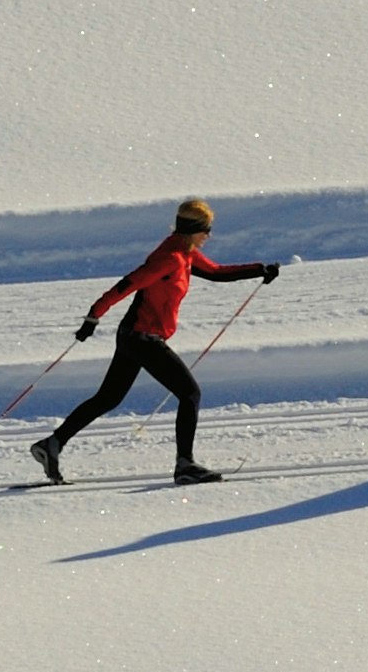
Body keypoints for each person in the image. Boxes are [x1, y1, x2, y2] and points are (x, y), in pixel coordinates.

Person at [32, 198, 280, 485]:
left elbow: (216, 272)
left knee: (108, 398)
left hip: (135, 337)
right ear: (193, 230)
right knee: (190, 394)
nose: (209, 236)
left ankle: (52, 444)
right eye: (206, 230)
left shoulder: (185, 253)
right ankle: (185, 465)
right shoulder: (169, 258)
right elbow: (127, 284)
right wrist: (93, 317)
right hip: (141, 338)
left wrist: (259, 269)